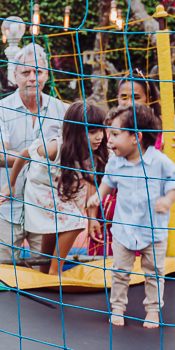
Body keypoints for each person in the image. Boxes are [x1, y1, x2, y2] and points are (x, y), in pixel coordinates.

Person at [89, 104, 175, 329]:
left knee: (154, 273)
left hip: (153, 231)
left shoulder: (159, 162)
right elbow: (108, 182)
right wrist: (98, 196)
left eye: (114, 134)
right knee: (120, 271)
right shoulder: (115, 161)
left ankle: (152, 310)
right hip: (124, 229)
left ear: (136, 137)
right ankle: (118, 308)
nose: (108, 140)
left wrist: (167, 200)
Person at [0, 45, 68, 265]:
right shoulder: (0, 110)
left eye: (37, 72)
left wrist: (26, 156)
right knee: (1, 277)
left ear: (46, 75)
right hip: (6, 207)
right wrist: (44, 154)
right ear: (15, 76)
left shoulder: (62, 110)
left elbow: (69, 155)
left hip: (47, 207)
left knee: (45, 276)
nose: (32, 78)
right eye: (25, 72)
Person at [9, 100, 107, 275]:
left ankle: (45, 270)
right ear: (76, 132)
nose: (99, 136)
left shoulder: (98, 152)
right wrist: (11, 184)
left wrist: (93, 217)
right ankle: (55, 271)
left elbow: (92, 182)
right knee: (76, 222)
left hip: (68, 193)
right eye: (92, 132)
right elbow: (25, 154)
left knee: (54, 230)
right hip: (42, 190)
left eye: (101, 130)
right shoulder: (55, 148)